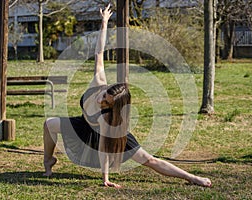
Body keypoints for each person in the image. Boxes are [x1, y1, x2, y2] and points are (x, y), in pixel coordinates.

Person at [43, 4, 212, 188]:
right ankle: (48, 160)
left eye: (106, 102)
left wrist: (105, 178)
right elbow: (99, 52)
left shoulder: (108, 119)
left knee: (149, 160)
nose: (101, 100)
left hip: (105, 136)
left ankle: (192, 178)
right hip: (83, 125)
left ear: (112, 107)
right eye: (104, 95)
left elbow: (104, 149)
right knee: (49, 124)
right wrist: (104, 22)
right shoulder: (98, 81)